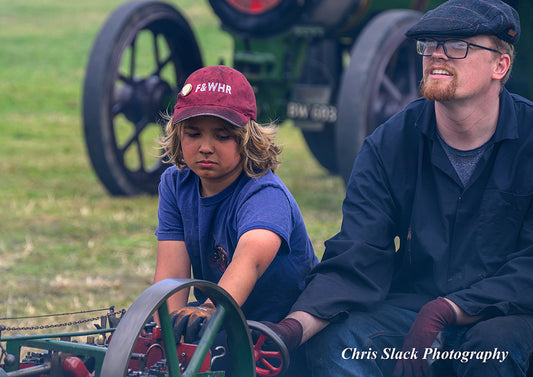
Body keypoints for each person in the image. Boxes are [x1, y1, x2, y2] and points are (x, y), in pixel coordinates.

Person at [262, 0, 533, 376]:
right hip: (413, 310)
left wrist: (446, 311)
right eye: (429, 44)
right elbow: (358, 254)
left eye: (458, 46)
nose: (437, 55)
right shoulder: (389, 143)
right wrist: (291, 329)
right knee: (336, 342)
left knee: (495, 350)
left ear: (500, 66)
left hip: (509, 313)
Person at [153, 65, 318, 372]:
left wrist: (209, 308)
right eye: (193, 133)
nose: (205, 147)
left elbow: (249, 261)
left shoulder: (264, 194)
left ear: (246, 138)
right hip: (219, 328)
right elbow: (171, 279)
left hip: (277, 339)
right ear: (177, 133)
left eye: (222, 135)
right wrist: (168, 338)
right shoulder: (175, 185)